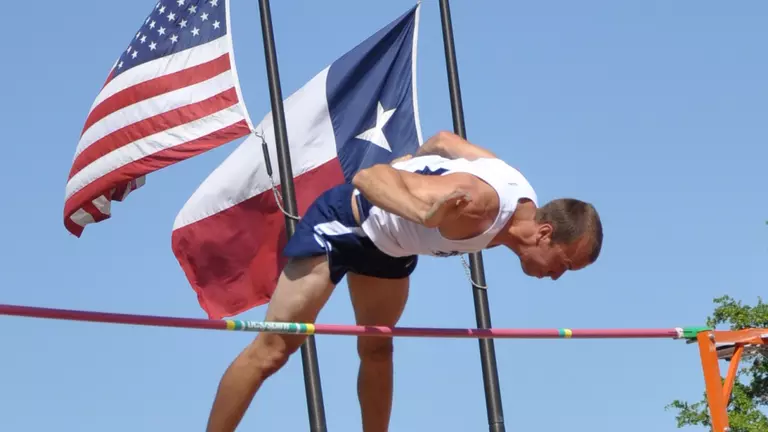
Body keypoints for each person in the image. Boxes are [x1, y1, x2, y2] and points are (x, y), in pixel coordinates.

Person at [205, 131, 603, 432]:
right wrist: (420, 208)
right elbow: (368, 176)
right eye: (563, 265)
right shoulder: (477, 204)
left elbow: (445, 141)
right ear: (546, 233)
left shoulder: (520, 193)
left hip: (390, 249)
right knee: (274, 350)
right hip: (346, 223)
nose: (556, 277)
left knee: (378, 352)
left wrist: (418, 160)